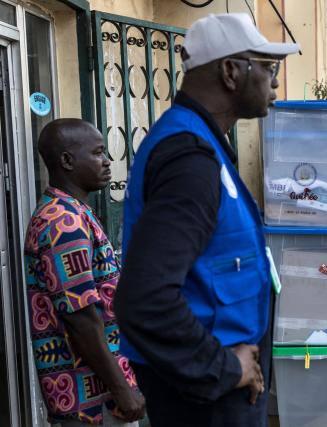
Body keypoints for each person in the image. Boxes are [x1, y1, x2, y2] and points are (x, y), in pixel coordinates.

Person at [114, 13, 298, 427]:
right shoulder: (189, 160)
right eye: (268, 68)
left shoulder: (205, 147)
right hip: (205, 400)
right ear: (231, 72)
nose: (274, 82)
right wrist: (223, 367)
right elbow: (143, 302)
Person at [23, 119, 145, 426]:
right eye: (98, 153)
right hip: (91, 403)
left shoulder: (73, 211)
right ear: (66, 161)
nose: (107, 162)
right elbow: (81, 321)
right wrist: (123, 391)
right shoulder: (63, 223)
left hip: (95, 397)